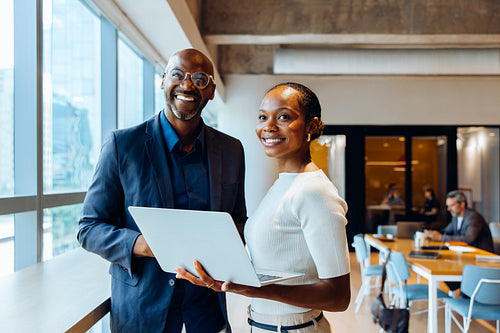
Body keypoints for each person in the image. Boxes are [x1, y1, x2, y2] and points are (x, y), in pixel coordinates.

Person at [77, 48, 247, 333]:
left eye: (200, 79)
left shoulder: (231, 150)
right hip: (141, 308)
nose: (188, 85)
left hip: (207, 309)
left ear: (212, 91)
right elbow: (89, 228)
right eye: (177, 75)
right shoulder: (123, 145)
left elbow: (237, 220)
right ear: (163, 80)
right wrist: (146, 244)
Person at [176, 82, 351, 332]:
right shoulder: (284, 185)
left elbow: (337, 296)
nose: (268, 126)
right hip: (264, 325)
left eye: (283, 117)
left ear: (311, 126)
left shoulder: (315, 191)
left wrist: (249, 288)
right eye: (262, 117)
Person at [424, 190, 494, 252]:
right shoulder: (456, 217)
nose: (449, 209)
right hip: (466, 254)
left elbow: (469, 239)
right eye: (448, 206)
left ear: (462, 204)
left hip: (482, 256)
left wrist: (441, 238)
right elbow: (446, 231)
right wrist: (432, 233)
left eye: (452, 206)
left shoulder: (473, 217)